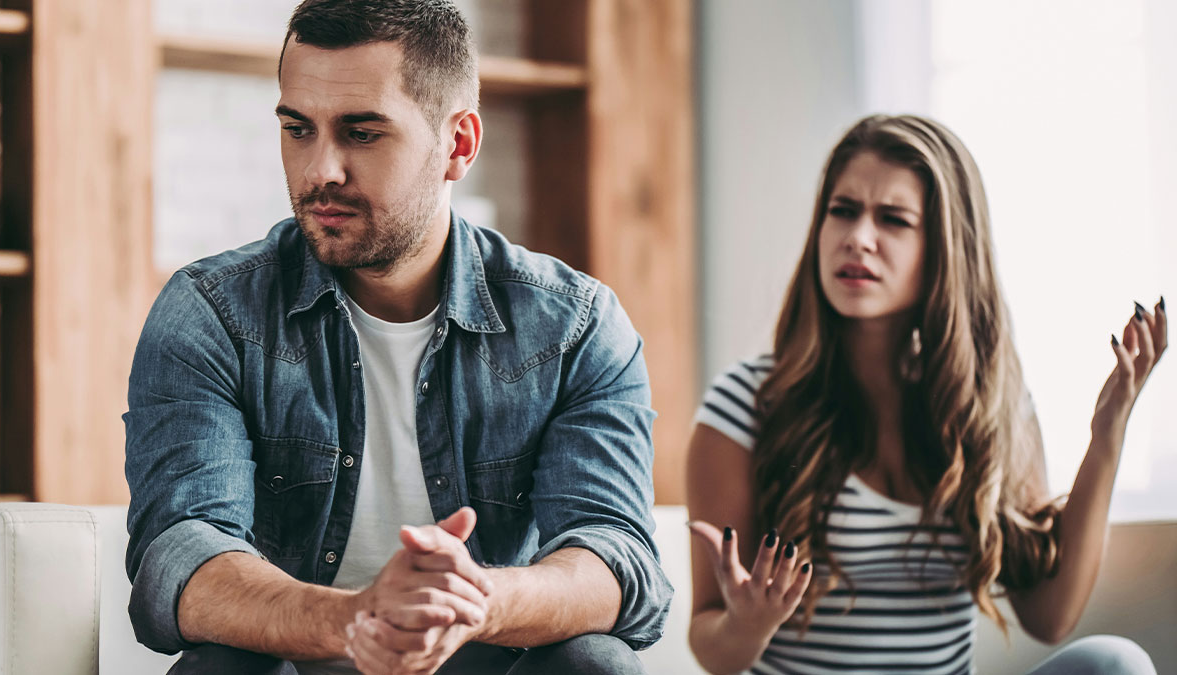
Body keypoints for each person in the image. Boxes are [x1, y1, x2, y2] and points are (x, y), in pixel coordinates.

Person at [123, 1, 671, 673]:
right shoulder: (211, 313)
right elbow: (178, 555)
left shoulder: (574, 325)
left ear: (458, 144)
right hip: (301, 660)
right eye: (298, 128)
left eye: (361, 133)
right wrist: (356, 618)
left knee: (597, 661)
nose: (321, 169)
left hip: (487, 662)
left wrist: (475, 602)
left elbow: (617, 557)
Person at [686, 114, 1165, 675]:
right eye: (842, 210)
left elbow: (1049, 617)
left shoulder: (991, 404)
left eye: (893, 219)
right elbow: (710, 647)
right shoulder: (744, 405)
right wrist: (749, 623)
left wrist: (1107, 434)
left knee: (1114, 663)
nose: (857, 237)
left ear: (946, 247)